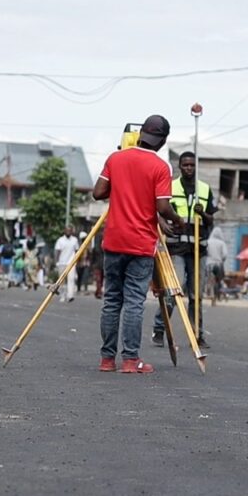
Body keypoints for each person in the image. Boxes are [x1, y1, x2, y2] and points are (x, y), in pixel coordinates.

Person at [93, 114, 184, 373]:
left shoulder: (115, 158)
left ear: (141, 133)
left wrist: (121, 187)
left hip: (114, 240)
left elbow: (98, 192)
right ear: (163, 140)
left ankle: (107, 360)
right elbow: (162, 206)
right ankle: (131, 360)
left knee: (112, 300)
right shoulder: (160, 167)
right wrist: (177, 220)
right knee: (133, 301)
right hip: (141, 244)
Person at [152, 151, 217, 349]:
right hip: (177, 247)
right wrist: (162, 223)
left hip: (198, 248)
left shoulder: (204, 190)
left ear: (196, 167)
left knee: (196, 295)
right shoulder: (171, 187)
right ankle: (160, 328)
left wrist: (202, 213)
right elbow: (157, 210)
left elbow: (211, 219)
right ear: (180, 167)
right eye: (185, 165)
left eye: (192, 165)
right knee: (175, 289)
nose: (189, 168)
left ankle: (196, 334)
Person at [54, 226, 80, 302]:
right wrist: (56, 262)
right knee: (62, 281)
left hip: (71, 263)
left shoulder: (74, 240)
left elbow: (77, 251)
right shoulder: (60, 240)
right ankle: (62, 295)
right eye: (67, 230)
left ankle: (70, 295)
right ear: (64, 231)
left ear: (72, 231)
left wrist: (77, 261)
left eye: (70, 230)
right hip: (62, 263)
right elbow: (57, 251)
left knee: (71, 279)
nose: (68, 232)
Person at [205, 226, 228, 305]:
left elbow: (205, 252)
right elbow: (225, 255)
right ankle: (217, 295)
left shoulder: (208, 242)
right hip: (218, 264)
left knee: (210, 280)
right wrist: (221, 259)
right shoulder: (222, 243)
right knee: (218, 281)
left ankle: (211, 295)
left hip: (209, 264)